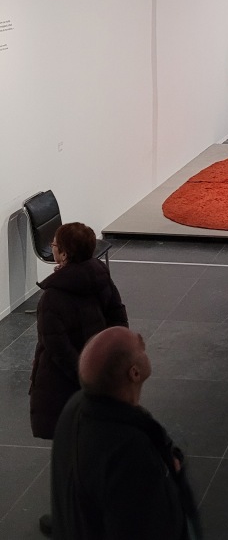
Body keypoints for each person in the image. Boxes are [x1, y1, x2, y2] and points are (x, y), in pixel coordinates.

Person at [51, 327, 202, 540]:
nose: (144, 344)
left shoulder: (74, 408)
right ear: (134, 373)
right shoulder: (130, 452)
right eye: (141, 347)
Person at [29, 222, 128, 536]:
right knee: (95, 446)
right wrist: (109, 362)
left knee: (69, 456)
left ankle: (70, 520)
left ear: (65, 253)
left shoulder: (53, 297)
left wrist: (82, 374)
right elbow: (118, 315)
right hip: (100, 375)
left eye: (56, 243)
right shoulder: (99, 275)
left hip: (66, 386)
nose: (52, 246)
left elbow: (56, 347)